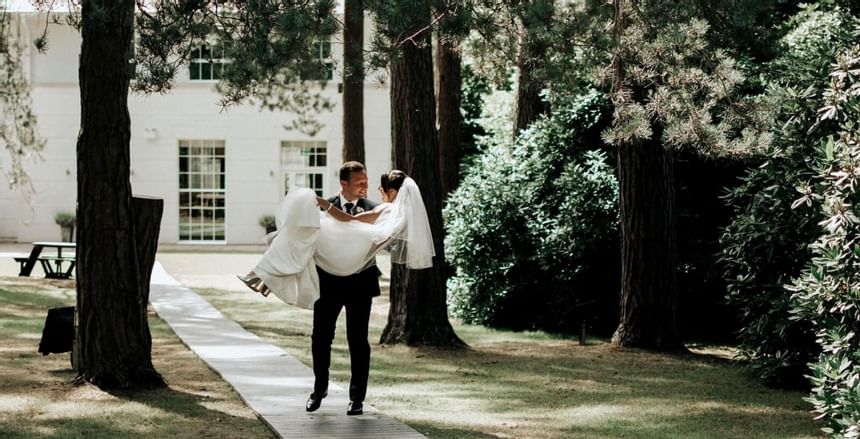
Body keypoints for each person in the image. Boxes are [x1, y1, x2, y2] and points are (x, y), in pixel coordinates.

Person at [237, 163, 433, 416]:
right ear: (344, 183)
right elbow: (305, 242)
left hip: (360, 283)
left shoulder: (376, 207)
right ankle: (319, 390)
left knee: (358, 341)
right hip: (328, 282)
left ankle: (357, 399)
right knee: (320, 337)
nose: (364, 185)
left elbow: (367, 232)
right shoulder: (320, 207)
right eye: (359, 181)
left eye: (366, 181)